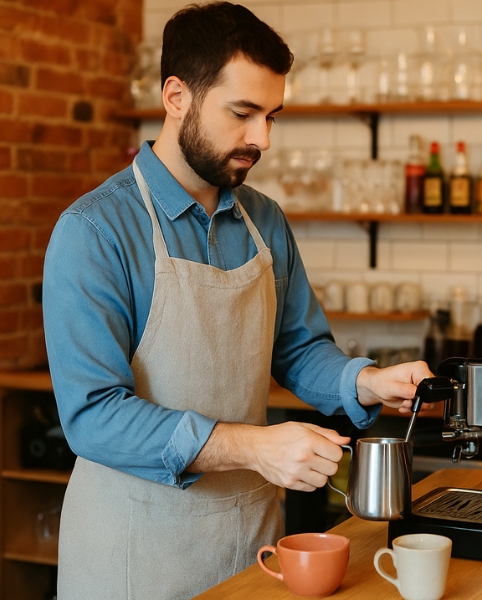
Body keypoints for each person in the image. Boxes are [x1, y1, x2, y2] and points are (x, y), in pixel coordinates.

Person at [42, 3, 432, 598]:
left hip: (252, 544)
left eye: (272, 115)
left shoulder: (264, 220)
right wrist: (253, 444)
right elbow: (94, 417)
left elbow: (299, 350)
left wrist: (366, 383)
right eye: (243, 113)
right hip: (132, 555)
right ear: (177, 97)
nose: (262, 139)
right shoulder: (94, 231)